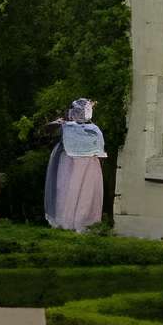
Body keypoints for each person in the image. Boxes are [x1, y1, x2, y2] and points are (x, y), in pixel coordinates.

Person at [48, 98, 107, 233]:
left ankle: (81, 222)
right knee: (72, 191)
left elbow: (99, 150)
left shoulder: (92, 129)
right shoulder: (68, 126)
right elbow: (48, 129)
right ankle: (71, 222)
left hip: (84, 165)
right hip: (73, 164)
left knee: (81, 193)